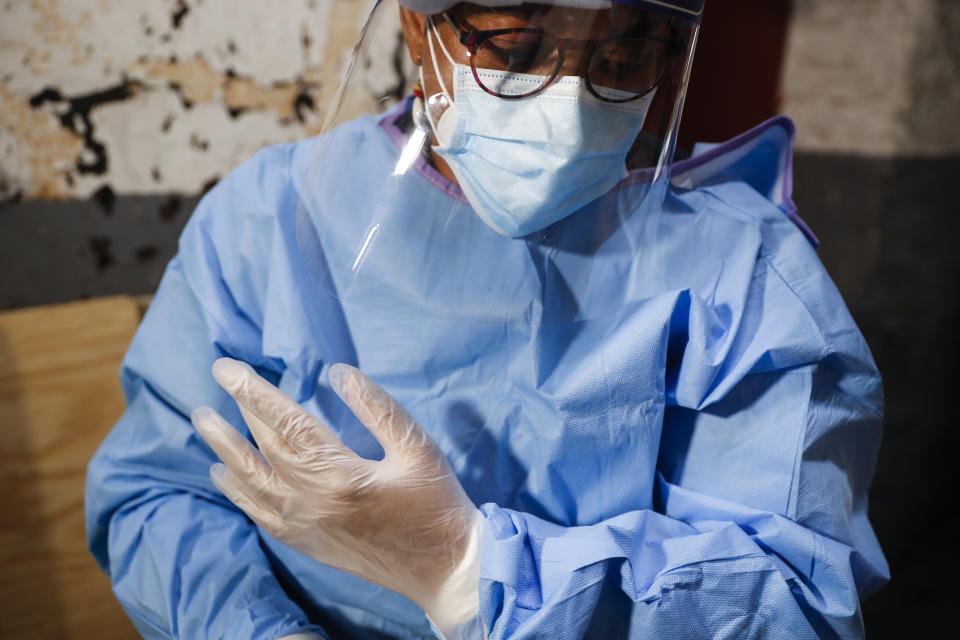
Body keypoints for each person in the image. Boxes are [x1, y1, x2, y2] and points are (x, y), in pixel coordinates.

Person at [85, 0, 889, 638]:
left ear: (671, 57)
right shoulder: (268, 222)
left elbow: (794, 605)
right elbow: (158, 493)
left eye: (621, 58)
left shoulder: (740, 275)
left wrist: (467, 570)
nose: (570, 108)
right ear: (415, 24)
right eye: (514, 48)